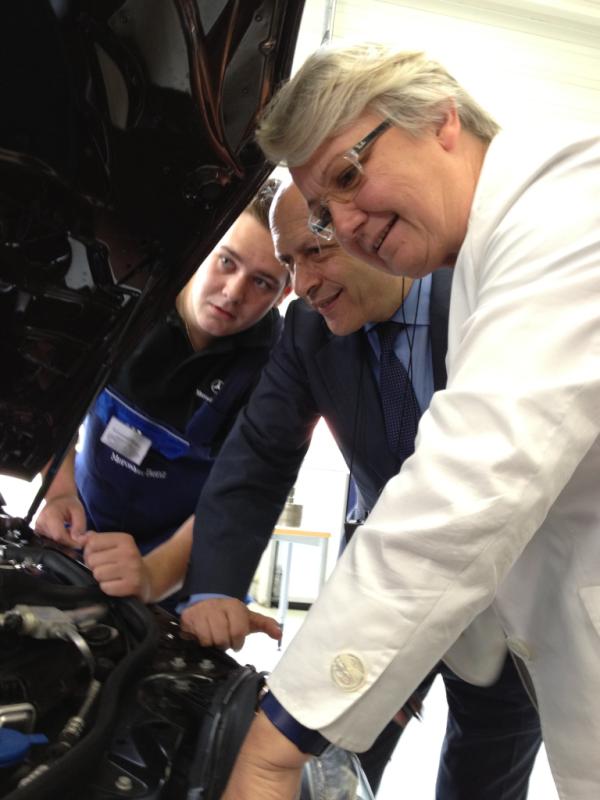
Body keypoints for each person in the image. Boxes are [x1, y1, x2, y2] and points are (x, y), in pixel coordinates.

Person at [219, 45, 600, 800]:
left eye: (348, 176)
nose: (344, 224)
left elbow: (466, 486)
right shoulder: (482, 253)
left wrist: (276, 743)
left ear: (440, 120)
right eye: (324, 212)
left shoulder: (568, 208)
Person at [107, 180, 541, 797]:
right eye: (289, 264)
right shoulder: (307, 330)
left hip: (519, 591)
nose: (302, 284)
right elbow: (260, 455)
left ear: (376, 234)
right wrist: (214, 586)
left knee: (484, 770)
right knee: (326, 756)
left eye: (315, 251)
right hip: (389, 578)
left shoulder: (485, 295)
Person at [34, 180, 290, 606]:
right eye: (227, 261)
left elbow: (237, 495)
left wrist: (152, 577)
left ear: (286, 293)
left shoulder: (276, 370)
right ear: (204, 246)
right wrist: (59, 490)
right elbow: (51, 399)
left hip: (179, 568)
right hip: (78, 532)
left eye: (262, 282)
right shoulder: (128, 297)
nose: (233, 292)